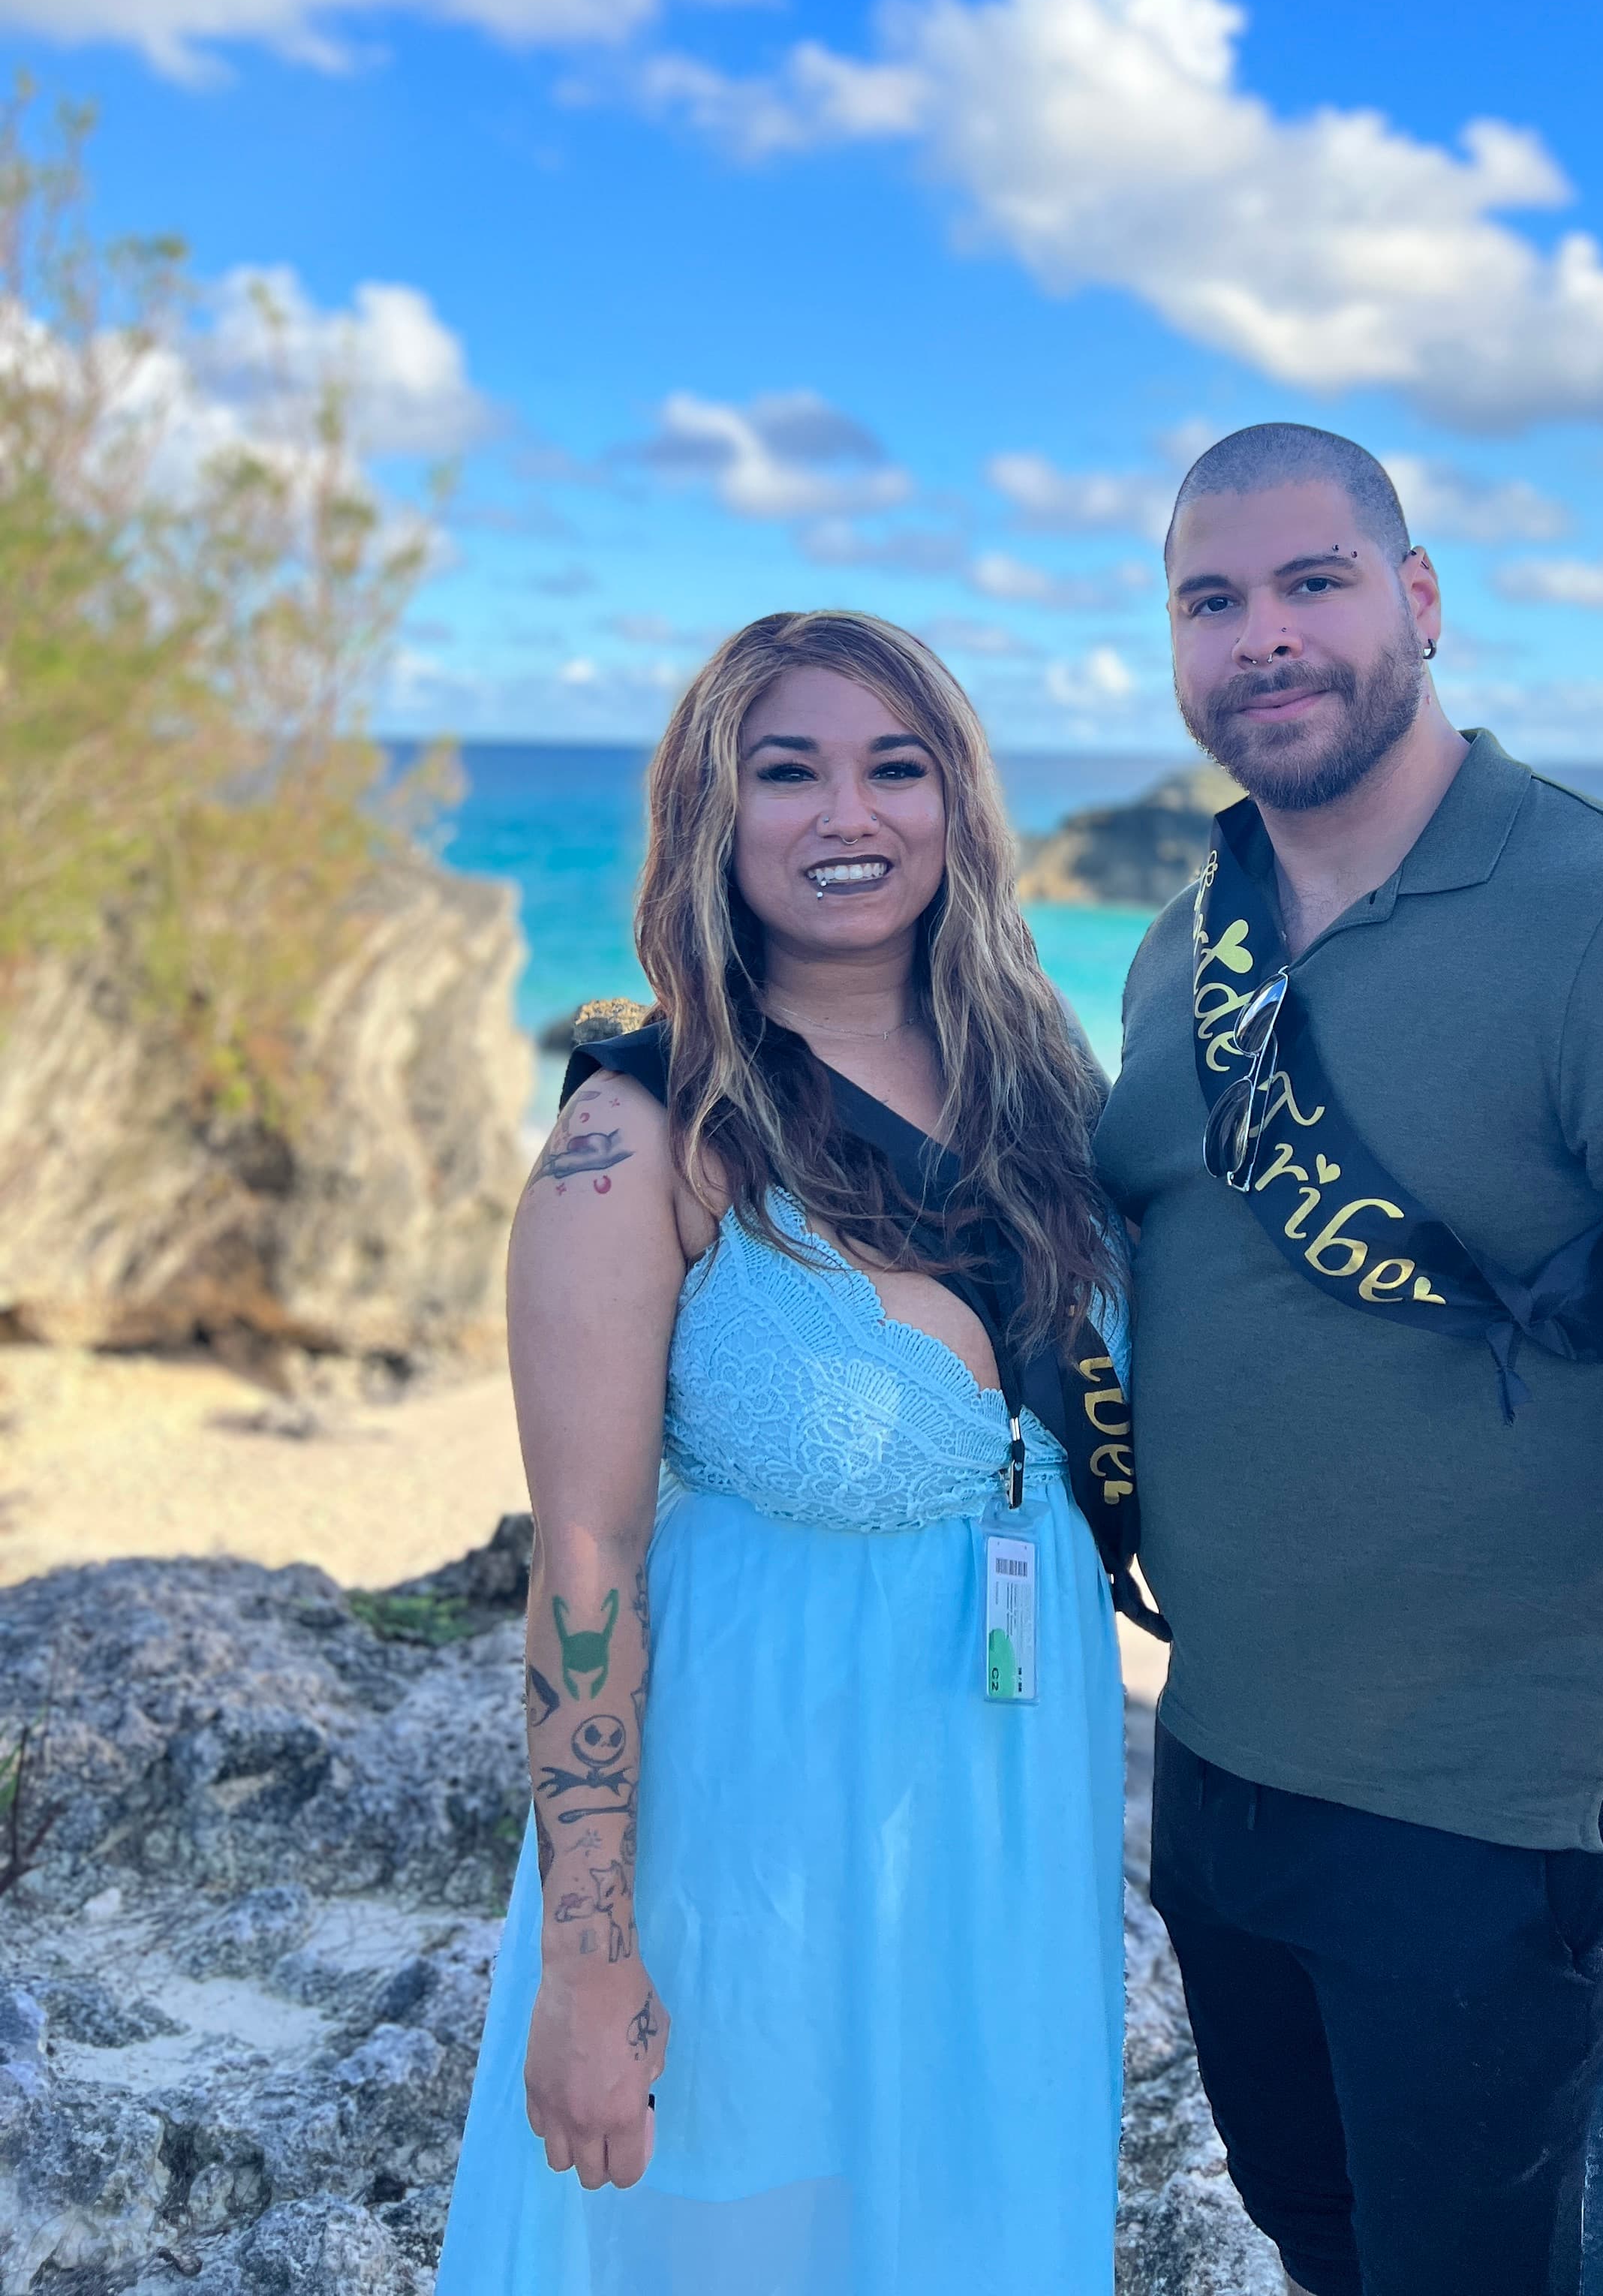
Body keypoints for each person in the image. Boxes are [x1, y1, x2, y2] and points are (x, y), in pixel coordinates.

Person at [1093, 424, 1603, 2296]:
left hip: (1494, 1834)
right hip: (1218, 1774)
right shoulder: (1187, 944)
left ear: (1422, 600)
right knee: (1319, 2241)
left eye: (1314, 583)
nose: (1262, 635)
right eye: (1211, 601)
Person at [438, 610, 1134, 2296]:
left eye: (897, 767)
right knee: (741, 2231)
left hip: (1006, 1805)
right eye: (788, 772)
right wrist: (588, 1959)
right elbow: (587, 1556)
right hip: (751, 1817)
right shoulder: (640, 1130)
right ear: (713, 812)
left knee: (967, 2220)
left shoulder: (1045, 1087)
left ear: (957, 804)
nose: (849, 814)